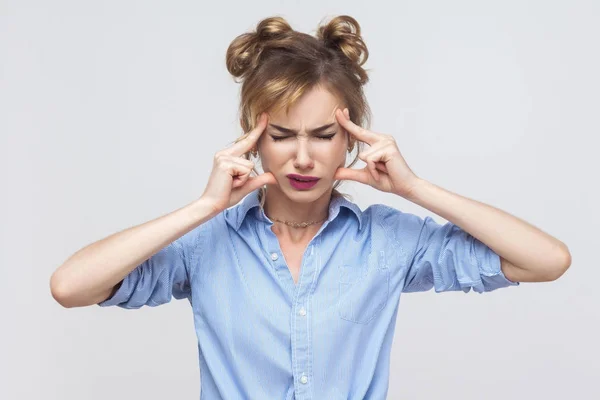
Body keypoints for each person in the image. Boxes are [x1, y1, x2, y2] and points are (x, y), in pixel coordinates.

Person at [49, 15, 572, 400]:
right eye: (282, 135)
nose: (303, 157)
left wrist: (415, 189)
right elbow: (70, 287)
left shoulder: (387, 240)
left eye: (324, 135)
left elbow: (546, 260)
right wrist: (202, 208)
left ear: (351, 139)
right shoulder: (208, 244)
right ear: (254, 139)